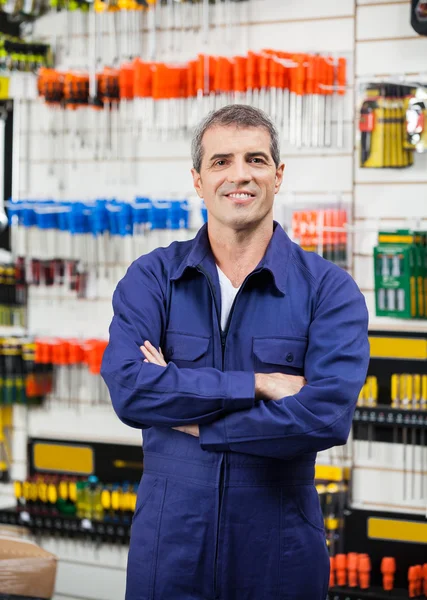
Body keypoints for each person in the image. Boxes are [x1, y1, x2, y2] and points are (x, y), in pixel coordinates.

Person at [101, 104, 370, 600]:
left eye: (256, 159)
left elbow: (325, 418)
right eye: (221, 161)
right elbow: (131, 390)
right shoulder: (154, 278)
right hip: (170, 547)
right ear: (199, 181)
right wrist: (259, 384)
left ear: (278, 174)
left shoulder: (328, 290)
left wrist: (196, 422)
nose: (239, 175)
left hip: (280, 549)